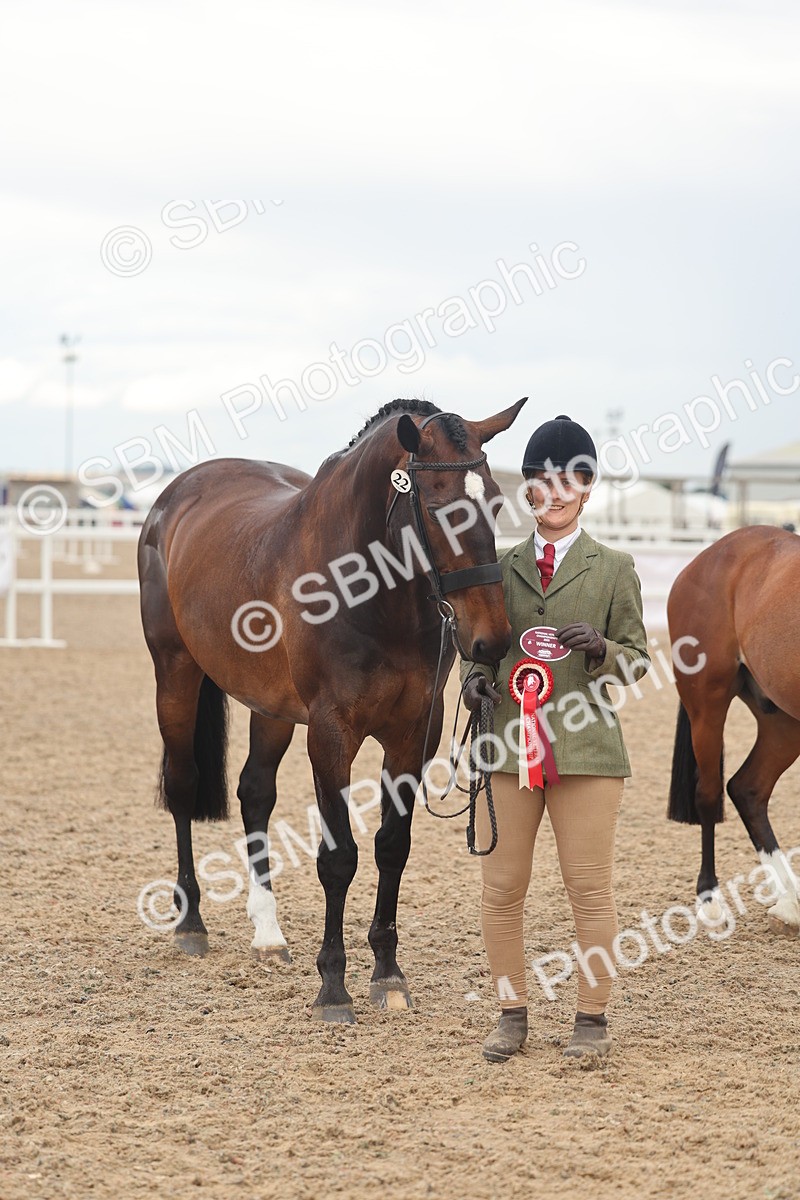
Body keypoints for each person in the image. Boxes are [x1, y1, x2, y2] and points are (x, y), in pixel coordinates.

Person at [460, 414, 649, 1063]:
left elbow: (638, 659)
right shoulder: (502, 568)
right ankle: (511, 1014)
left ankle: (591, 1019)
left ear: (588, 488)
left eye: (572, 478)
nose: (557, 490)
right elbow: (478, 650)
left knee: (588, 889)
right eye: (543, 479)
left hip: (590, 752)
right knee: (502, 889)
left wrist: (602, 649)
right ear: (530, 491)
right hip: (511, 748)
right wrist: (475, 684)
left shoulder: (615, 569)